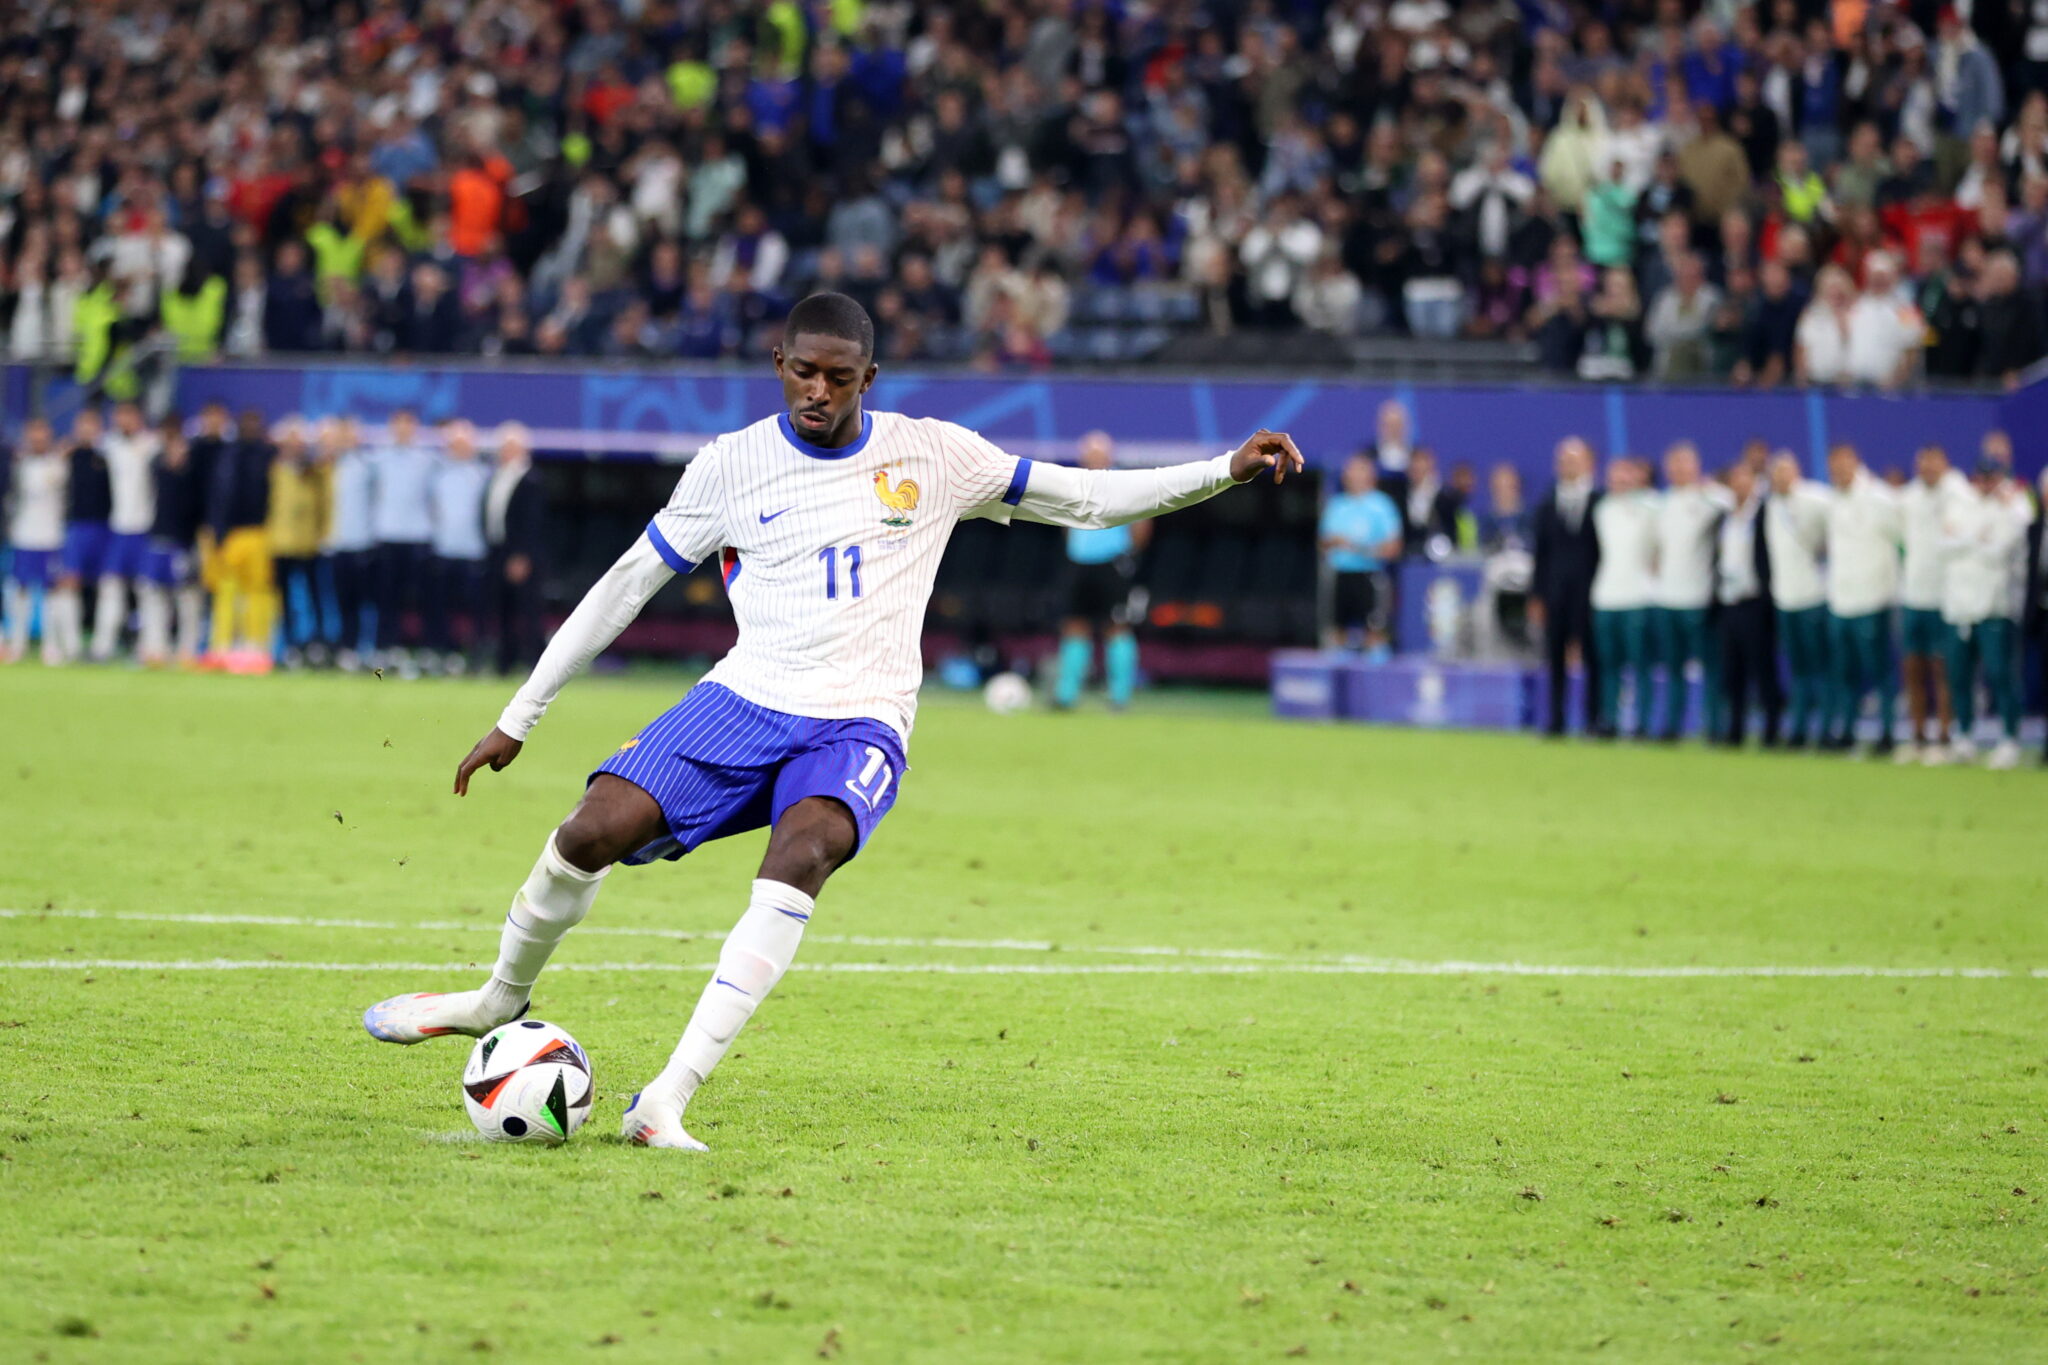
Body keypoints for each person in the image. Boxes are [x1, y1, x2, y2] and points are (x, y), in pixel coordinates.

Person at [361, 293, 1307, 1153]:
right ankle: (498, 997)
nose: (818, 391)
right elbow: (624, 587)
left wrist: (1226, 467)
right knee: (588, 834)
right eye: (803, 372)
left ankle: (665, 1099)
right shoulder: (729, 466)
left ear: (868, 379)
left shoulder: (933, 453)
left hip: (859, 718)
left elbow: (1090, 497)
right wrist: (519, 715)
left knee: (806, 849)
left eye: (839, 377)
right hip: (741, 697)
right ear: (779, 363)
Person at [1939, 458, 2030, 768]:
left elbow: (1999, 551)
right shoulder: (1959, 504)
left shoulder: (2013, 505)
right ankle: (1963, 737)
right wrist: (1976, 539)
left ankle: (2009, 739)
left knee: (2001, 676)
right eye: (1982, 477)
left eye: (1993, 478)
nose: (1986, 483)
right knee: (1959, 678)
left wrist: (1964, 541)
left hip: (1995, 608)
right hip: (1959, 609)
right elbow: (1943, 546)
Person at [1053, 431, 1151, 709]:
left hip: (1112, 563)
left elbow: (1142, 521)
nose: (1093, 460)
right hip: (1078, 563)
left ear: (1108, 457)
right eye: (1089, 455)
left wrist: (1126, 554)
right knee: (1074, 625)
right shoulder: (1074, 483)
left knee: (1116, 627)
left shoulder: (1122, 483)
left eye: (1098, 455)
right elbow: (1064, 522)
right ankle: (1066, 696)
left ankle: (1120, 696)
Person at [1821, 443, 1903, 754]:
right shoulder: (1832, 501)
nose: (1839, 472)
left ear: (1856, 462)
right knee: (1845, 673)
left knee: (1880, 670)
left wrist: (1889, 586)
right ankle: (1848, 730)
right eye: (1834, 468)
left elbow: (1902, 539)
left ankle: (1887, 732)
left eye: (1844, 465)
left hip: (1873, 600)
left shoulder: (1880, 498)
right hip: (1841, 601)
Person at [1651, 441, 1732, 740]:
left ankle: (1714, 726)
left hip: (1699, 599)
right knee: (1673, 670)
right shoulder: (1661, 503)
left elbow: (1738, 507)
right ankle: (1672, 726)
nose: (1679, 469)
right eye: (1674, 464)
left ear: (1697, 466)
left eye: (1685, 463)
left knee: (1711, 668)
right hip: (1667, 599)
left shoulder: (1712, 498)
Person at [1897, 445, 1966, 763]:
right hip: (1913, 596)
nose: (1927, 469)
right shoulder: (1909, 497)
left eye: (1933, 463)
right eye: (1922, 463)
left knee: (1942, 669)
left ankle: (1945, 736)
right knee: (1912, 668)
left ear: (1945, 464)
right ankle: (1918, 737)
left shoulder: (1957, 492)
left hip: (1943, 598)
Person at [1532, 437, 1602, 735]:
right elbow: (1541, 553)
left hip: (1592, 592)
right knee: (1555, 656)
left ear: (1589, 463)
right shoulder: (1548, 504)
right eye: (1563, 460)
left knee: (1592, 656)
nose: (1567, 466)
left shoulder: (1602, 503)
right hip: (1556, 593)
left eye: (1574, 459)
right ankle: (1556, 719)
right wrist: (1536, 595)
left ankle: (1593, 719)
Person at [1764, 453, 1834, 749]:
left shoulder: (1816, 498)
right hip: (1785, 599)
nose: (1780, 477)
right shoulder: (1769, 505)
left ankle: (1828, 729)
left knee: (1820, 668)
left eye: (1785, 471)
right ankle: (1800, 728)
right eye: (1775, 472)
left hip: (1812, 596)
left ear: (1797, 471)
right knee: (1798, 669)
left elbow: (1839, 531)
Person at [1589, 456, 1659, 739]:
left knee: (1641, 664)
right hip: (1605, 597)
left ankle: (1642, 722)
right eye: (1615, 478)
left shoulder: (1651, 507)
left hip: (1638, 597)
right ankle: (1609, 719)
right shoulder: (1602, 509)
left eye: (1626, 478)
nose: (1620, 483)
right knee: (1609, 665)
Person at [1715, 459, 1782, 746]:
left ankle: (1771, 730)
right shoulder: (1725, 517)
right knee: (1733, 671)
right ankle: (1736, 729)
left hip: (1755, 602)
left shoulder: (1765, 514)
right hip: (1729, 602)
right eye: (1735, 480)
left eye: (1745, 480)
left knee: (1762, 668)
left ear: (1756, 483)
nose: (1739, 485)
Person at [206, 409, 277, 674]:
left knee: (258, 593)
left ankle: (256, 646)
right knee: (226, 591)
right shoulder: (228, 456)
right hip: (232, 534)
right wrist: (218, 532)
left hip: (260, 532)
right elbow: (218, 496)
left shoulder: (269, 456)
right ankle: (222, 646)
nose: (250, 429)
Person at [368, 408, 437, 671]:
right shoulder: (378, 459)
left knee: (420, 600)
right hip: (387, 536)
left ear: (415, 427)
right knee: (387, 599)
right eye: (398, 424)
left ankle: (422, 651)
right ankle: (386, 650)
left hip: (418, 536)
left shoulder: (427, 461)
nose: (403, 430)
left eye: (408, 424)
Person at [138, 418, 207, 667]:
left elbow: (198, 512)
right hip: (158, 541)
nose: (177, 453)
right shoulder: (156, 470)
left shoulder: (193, 478)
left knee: (188, 599)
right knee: (155, 597)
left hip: (184, 544)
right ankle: (155, 648)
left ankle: (188, 649)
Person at [1318, 452, 1403, 656]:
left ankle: (1377, 681)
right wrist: (1333, 542)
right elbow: (1323, 543)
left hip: (1370, 577)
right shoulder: (1336, 505)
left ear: (1370, 475)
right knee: (1337, 633)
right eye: (1350, 470)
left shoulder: (1382, 506)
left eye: (1358, 470)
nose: (1353, 475)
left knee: (1374, 633)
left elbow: (1394, 548)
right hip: (1340, 577)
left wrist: (1358, 547)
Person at [95, 400, 159, 661]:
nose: (124, 422)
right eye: (120, 417)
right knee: (111, 588)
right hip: (118, 527)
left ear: (139, 418)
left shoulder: (152, 445)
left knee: (148, 590)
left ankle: (152, 647)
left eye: (129, 416)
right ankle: (103, 646)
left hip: (146, 527)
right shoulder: (109, 445)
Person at [428, 419, 493, 673]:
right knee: (441, 608)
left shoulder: (482, 474)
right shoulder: (438, 474)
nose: (460, 448)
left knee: (476, 610)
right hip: (444, 549)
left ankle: (476, 656)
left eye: (464, 443)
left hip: (474, 551)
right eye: (455, 443)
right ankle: (444, 654)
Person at [484, 423, 547, 677]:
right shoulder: (497, 476)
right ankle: (505, 662)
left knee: (529, 611)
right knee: (504, 610)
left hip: (521, 555)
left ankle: (536, 666)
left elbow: (532, 521)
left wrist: (521, 555)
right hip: (499, 551)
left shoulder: (531, 479)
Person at [267, 420, 331, 669]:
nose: (295, 447)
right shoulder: (275, 470)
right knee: (284, 601)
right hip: (280, 544)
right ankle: (288, 645)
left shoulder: (313, 474)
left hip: (308, 544)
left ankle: (315, 645)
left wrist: (323, 534)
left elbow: (325, 506)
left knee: (314, 599)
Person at [48, 409, 110, 665]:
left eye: (92, 426)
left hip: (104, 528)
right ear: (75, 428)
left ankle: (100, 647)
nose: (87, 431)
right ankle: (70, 645)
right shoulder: (66, 457)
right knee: (68, 584)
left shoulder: (106, 457)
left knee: (106, 586)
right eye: (82, 426)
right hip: (75, 527)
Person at [3, 418, 65, 665]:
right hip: (24, 534)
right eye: (34, 435)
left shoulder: (59, 463)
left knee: (52, 592)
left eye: (42, 434)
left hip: (50, 536)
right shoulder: (18, 464)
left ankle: (50, 645)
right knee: (20, 591)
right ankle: (17, 643)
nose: (38, 439)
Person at [319, 418, 376, 669]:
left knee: (364, 601)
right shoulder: (326, 468)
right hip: (335, 544)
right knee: (340, 602)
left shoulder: (367, 466)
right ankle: (345, 649)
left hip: (361, 543)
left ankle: (366, 649)